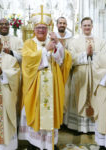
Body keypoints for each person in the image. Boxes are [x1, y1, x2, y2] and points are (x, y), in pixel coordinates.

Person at [18, 5, 72, 150]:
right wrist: (44, 50)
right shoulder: (29, 43)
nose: (41, 30)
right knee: (35, 112)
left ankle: (48, 145)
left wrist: (58, 45)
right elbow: (28, 61)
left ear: (48, 29)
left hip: (52, 86)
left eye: (44, 27)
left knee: (50, 112)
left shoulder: (53, 41)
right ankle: (34, 144)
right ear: (34, 29)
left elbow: (64, 60)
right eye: (38, 28)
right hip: (35, 87)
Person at [66, 17, 106, 133]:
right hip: (81, 75)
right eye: (85, 25)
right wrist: (85, 54)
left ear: (92, 26)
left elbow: (105, 56)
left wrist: (92, 55)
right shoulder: (74, 42)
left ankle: (93, 127)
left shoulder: (101, 41)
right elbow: (71, 58)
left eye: (89, 25)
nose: (87, 27)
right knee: (79, 97)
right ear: (81, 27)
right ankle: (78, 127)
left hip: (95, 75)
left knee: (95, 97)